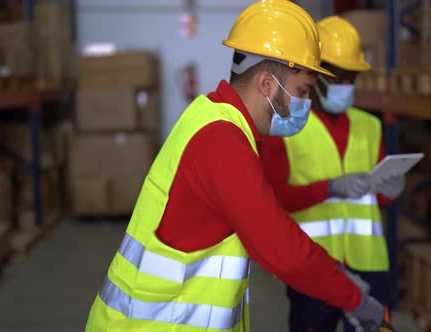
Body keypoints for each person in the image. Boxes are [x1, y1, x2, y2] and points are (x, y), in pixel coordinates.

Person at [84, 2, 385, 331]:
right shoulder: (222, 141)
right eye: (302, 91)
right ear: (267, 84)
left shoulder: (213, 117)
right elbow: (283, 250)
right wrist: (354, 296)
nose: (307, 104)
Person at [257, 16, 406, 332]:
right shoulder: (283, 127)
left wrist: (390, 191)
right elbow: (272, 200)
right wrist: (329, 188)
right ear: (314, 76)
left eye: (351, 78)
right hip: (313, 265)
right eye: (337, 77)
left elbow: (377, 194)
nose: (345, 86)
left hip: (369, 264)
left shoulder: (370, 126)